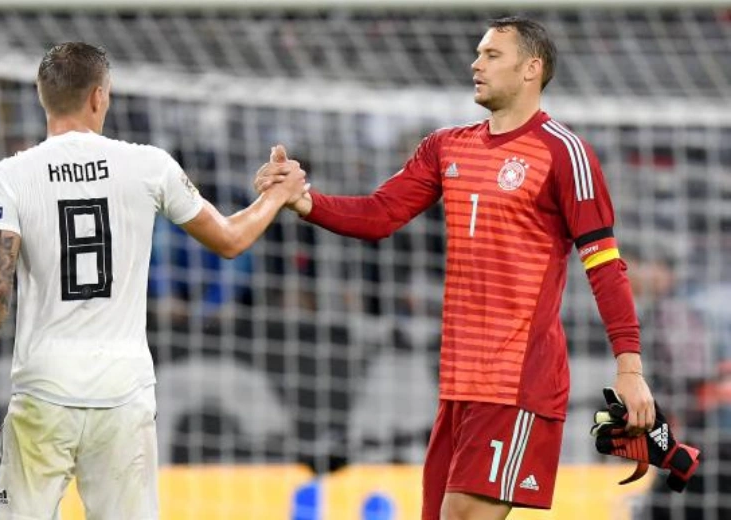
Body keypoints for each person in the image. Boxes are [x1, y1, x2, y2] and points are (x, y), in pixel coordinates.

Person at [257, 16, 657, 520]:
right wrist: (304, 200)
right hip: (458, 384)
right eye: (478, 53)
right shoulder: (445, 146)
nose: (476, 63)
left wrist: (630, 369)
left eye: (492, 54)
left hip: (518, 382)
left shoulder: (564, 153)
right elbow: (380, 215)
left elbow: (604, 266)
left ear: (531, 68)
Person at [0, 42, 307, 520]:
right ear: (100, 96)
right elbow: (230, 239)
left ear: (43, 96)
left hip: (44, 390)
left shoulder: (10, 176)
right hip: (123, 394)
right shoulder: (149, 165)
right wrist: (277, 196)